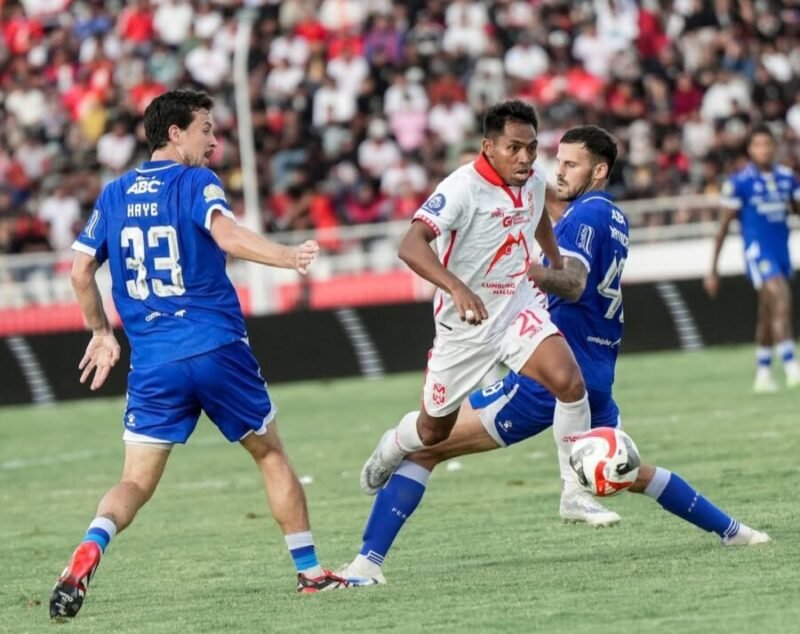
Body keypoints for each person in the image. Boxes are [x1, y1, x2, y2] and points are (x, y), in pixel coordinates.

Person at [339, 126, 771, 586]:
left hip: (549, 382)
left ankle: (367, 564)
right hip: (597, 372)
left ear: (598, 171)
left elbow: (573, 282)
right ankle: (734, 531)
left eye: (570, 164)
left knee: (427, 449)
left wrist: (522, 271)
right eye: (558, 161)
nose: (558, 171)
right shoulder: (613, 215)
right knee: (624, 472)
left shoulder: (586, 214)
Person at [50, 90, 347, 620]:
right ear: (175, 133)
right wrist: (287, 256)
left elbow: (79, 272)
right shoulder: (195, 182)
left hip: (153, 362)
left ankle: (92, 545)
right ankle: (310, 573)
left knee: (134, 482)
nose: (213, 141)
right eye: (206, 129)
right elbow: (226, 235)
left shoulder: (114, 194)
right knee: (270, 454)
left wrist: (100, 332)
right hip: (215, 347)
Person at [360, 101, 619, 527]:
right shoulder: (461, 188)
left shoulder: (532, 179)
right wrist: (457, 288)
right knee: (432, 432)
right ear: (488, 147)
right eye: (514, 148)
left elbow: (537, 216)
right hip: (464, 324)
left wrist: (554, 260)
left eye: (531, 148)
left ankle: (574, 493)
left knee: (569, 383)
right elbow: (410, 245)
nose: (525, 157)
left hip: (516, 306)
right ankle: (394, 443)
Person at [705, 124, 800, 392]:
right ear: (750, 149)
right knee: (781, 298)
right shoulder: (739, 182)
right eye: (758, 145)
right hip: (758, 253)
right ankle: (792, 367)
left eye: (767, 144)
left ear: (774, 147)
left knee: (768, 313)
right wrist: (713, 270)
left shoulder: (787, 178)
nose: (763, 150)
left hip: (781, 252)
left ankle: (763, 372)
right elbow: (722, 228)